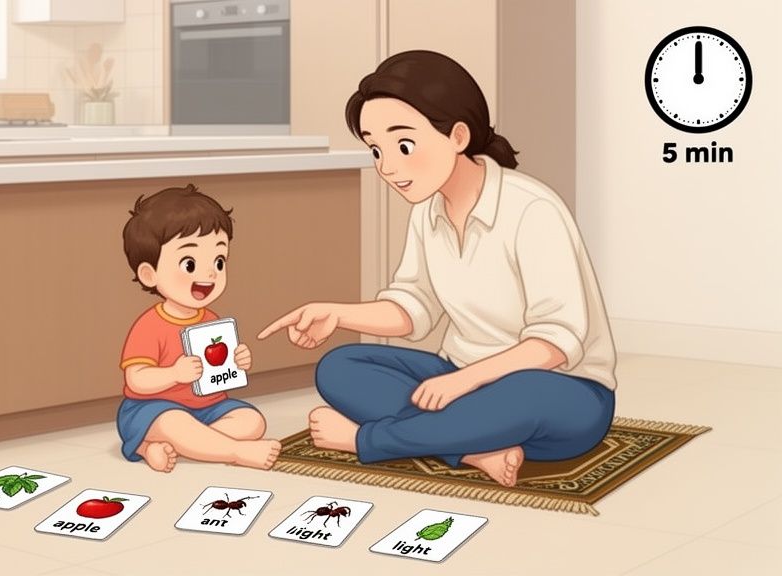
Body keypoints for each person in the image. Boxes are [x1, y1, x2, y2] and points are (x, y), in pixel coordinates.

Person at [258, 50, 616, 487]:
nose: (388, 167)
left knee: (525, 395)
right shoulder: (428, 212)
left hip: (562, 392)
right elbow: (414, 309)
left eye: (403, 145)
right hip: (460, 380)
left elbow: (555, 343)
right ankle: (471, 449)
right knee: (339, 366)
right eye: (376, 149)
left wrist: (463, 382)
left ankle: (369, 440)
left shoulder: (532, 209)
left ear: (458, 136)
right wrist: (336, 313)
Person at [119, 184, 281, 473]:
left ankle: (167, 446)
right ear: (149, 273)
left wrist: (237, 360)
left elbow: (217, 367)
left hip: (208, 408)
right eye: (190, 263)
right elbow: (136, 380)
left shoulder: (210, 319)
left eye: (219, 261)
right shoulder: (149, 325)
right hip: (153, 409)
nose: (209, 273)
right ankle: (234, 451)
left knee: (252, 421)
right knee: (174, 423)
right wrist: (173, 374)